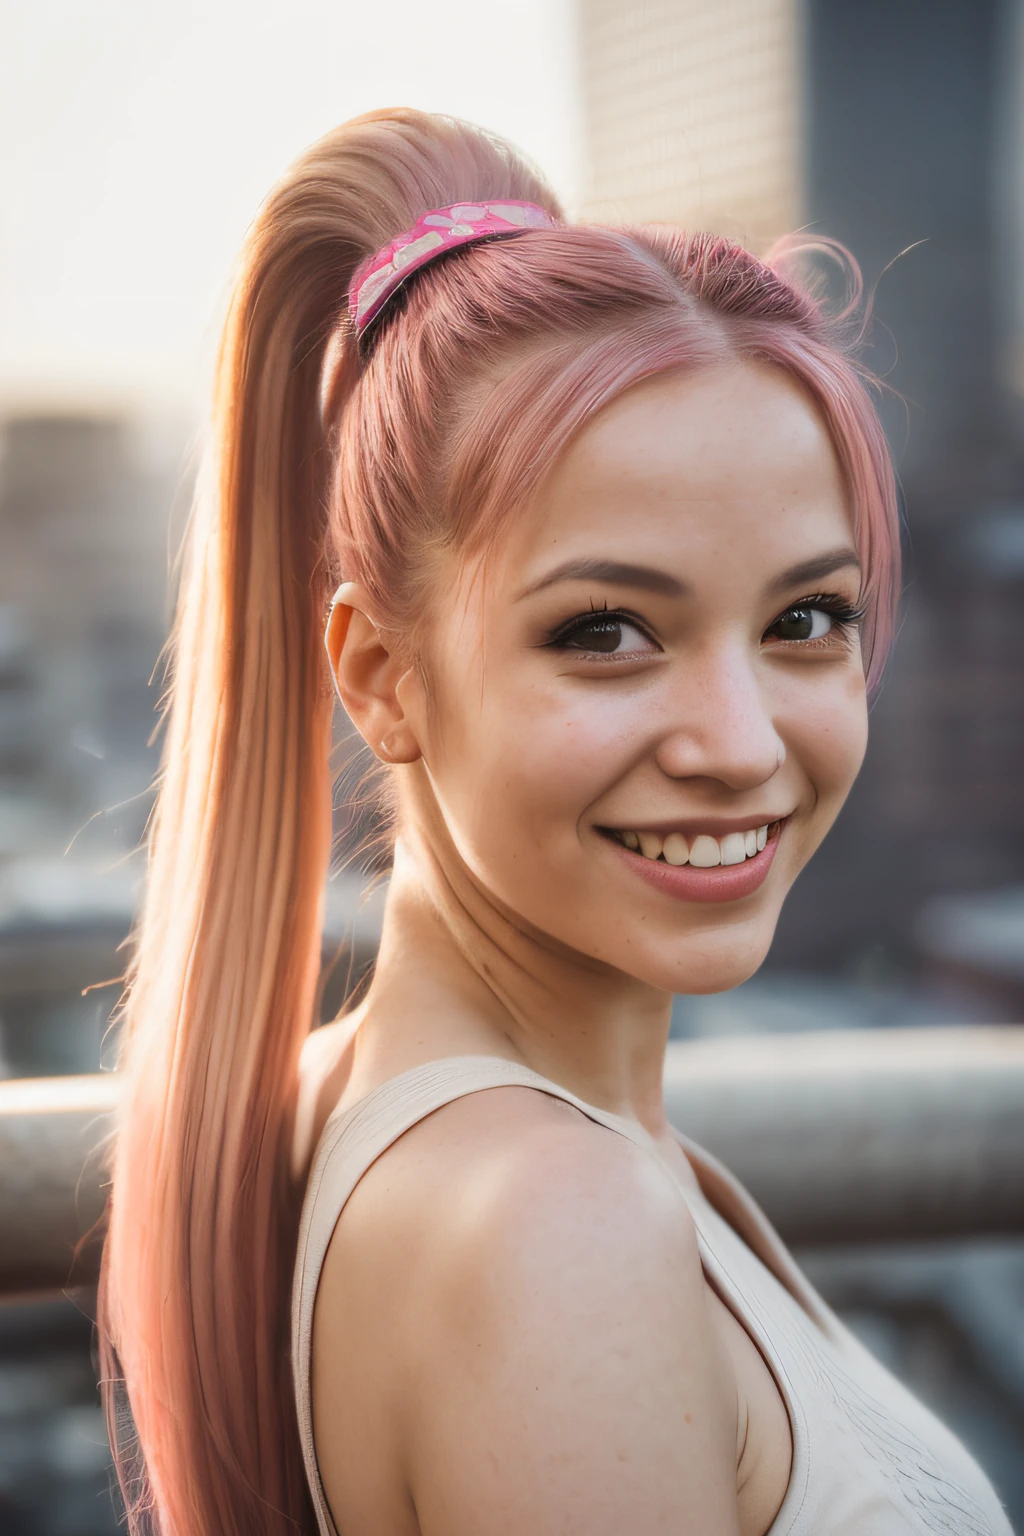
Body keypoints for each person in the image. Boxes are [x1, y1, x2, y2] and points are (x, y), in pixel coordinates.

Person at [97, 108, 1013, 1536]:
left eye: (806, 619)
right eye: (605, 632)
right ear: (380, 678)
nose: (741, 742)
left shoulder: (369, 1101)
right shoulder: (553, 1227)